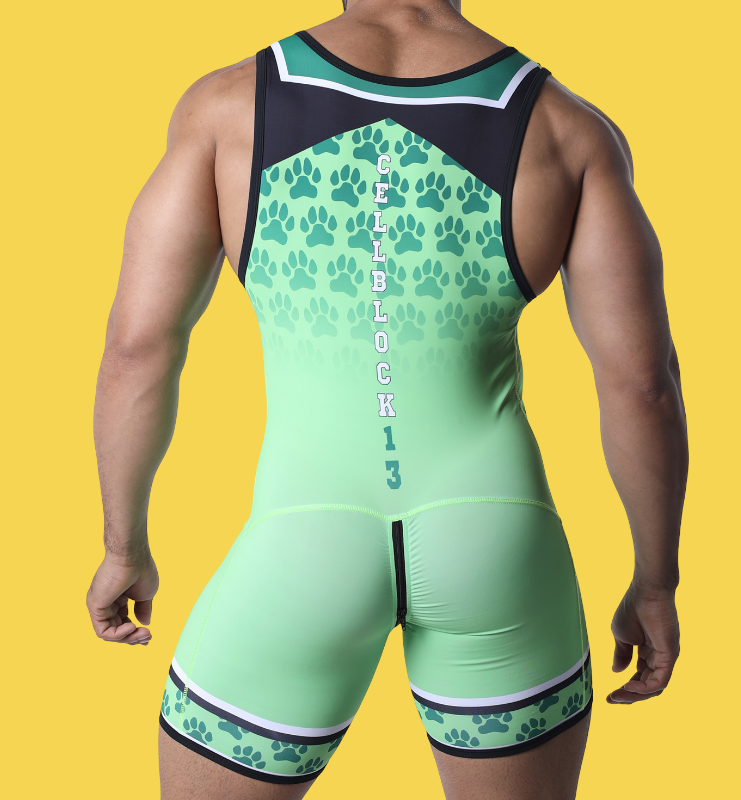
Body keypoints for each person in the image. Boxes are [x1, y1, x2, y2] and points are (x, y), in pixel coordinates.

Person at [86, 1, 688, 797]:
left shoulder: (230, 107)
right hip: (494, 542)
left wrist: (124, 547)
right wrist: (656, 581)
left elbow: (138, 349)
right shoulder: (564, 127)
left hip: (302, 545)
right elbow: (642, 386)